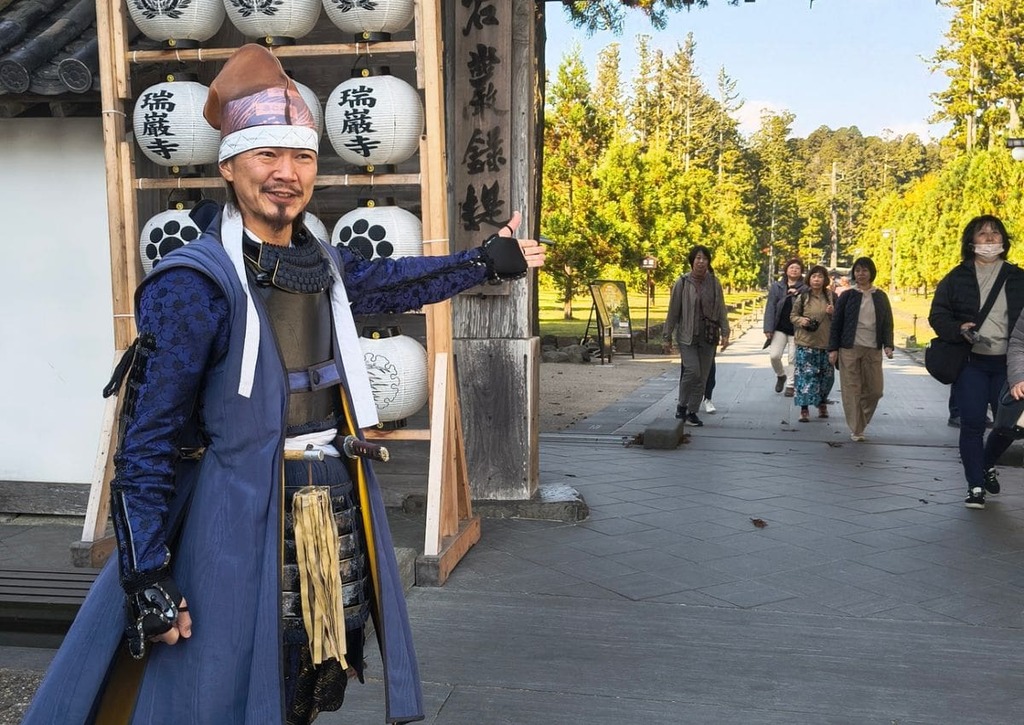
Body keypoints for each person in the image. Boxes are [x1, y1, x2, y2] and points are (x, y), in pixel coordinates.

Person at [24, 45, 545, 725]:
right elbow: (145, 442)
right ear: (228, 165)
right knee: (221, 685)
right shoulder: (193, 283)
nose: (285, 173)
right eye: (266, 154)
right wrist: (146, 573)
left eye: (300, 156)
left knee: (310, 676)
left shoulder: (322, 263)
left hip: (331, 503)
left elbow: (396, 281)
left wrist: (485, 262)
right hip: (232, 518)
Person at [929, 214, 1024, 510]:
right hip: (971, 362)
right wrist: (958, 328)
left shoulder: (1018, 277)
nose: (990, 238)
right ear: (971, 241)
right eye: (983, 233)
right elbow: (938, 315)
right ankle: (975, 485)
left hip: (1008, 365)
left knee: (1008, 426)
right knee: (972, 424)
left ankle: (986, 462)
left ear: (1004, 240)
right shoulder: (957, 277)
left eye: (995, 233)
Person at [827, 257, 894, 441]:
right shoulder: (847, 296)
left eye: (864, 270)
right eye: (857, 270)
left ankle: (860, 418)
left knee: (875, 390)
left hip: (873, 348)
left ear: (871, 273)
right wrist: (833, 349)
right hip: (849, 348)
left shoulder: (880, 296)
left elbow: (887, 323)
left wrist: (888, 345)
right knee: (852, 389)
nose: (861, 274)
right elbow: (836, 324)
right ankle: (857, 429)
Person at [664, 245, 730, 426]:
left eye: (704, 258)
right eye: (698, 258)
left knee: (703, 376)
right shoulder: (682, 282)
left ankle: (692, 411)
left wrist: (725, 332)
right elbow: (673, 312)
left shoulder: (714, 282)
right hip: (687, 335)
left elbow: (721, 308)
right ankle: (681, 406)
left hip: (708, 335)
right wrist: (666, 336)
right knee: (692, 370)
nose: (701, 262)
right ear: (692, 261)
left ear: (709, 262)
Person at [791, 264, 835, 423]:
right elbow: (793, 316)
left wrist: (833, 313)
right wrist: (801, 320)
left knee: (826, 378)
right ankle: (804, 409)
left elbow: (840, 320)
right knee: (805, 377)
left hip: (826, 344)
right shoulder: (803, 296)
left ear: (825, 280)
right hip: (806, 343)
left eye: (820, 277)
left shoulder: (831, 297)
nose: (817, 280)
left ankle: (822, 403)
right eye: (814, 276)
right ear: (809, 279)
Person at [764, 258, 806, 397]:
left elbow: (807, 304)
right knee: (774, 355)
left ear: (801, 271)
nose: (794, 270)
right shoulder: (777, 286)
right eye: (791, 267)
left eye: (797, 268)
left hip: (797, 328)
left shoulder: (805, 288)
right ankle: (781, 375)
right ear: (786, 270)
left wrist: (797, 294)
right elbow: (770, 306)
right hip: (780, 327)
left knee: (793, 358)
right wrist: (768, 328)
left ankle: (790, 385)